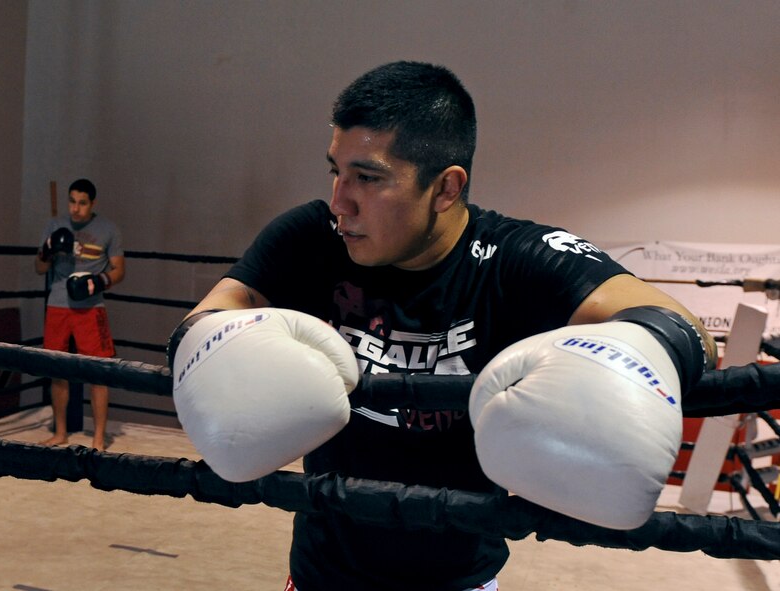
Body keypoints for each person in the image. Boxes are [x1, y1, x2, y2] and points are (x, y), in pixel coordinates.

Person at [167, 62, 717, 591]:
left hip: (458, 577)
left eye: (368, 178)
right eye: (337, 171)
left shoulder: (513, 259)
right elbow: (210, 314)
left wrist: (636, 357)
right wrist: (211, 348)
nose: (341, 202)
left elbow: (685, 326)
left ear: (446, 188)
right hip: (321, 572)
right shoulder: (312, 239)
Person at [35, 178, 125, 451]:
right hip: (58, 305)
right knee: (57, 370)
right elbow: (40, 268)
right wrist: (48, 250)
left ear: (92, 203)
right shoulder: (55, 225)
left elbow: (119, 270)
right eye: (72, 201)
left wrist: (99, 281)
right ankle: (60, 432)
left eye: (82, 203)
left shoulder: (108, 230)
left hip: (91, 307)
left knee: (98, 372)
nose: (76, 208)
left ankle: (98, 438)